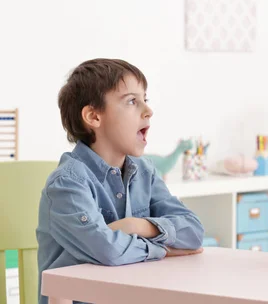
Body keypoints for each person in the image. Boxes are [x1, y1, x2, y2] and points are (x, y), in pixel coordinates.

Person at [37, 59, 205, 304]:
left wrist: (137, 226)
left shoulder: (144, 171)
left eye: (145, 99)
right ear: (93, 116)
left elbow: (194, 231)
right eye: (132, 101)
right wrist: (165, 249)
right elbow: (109, 250)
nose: (148, 111)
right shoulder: (67, 185)